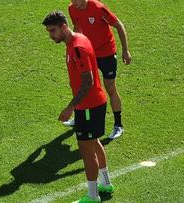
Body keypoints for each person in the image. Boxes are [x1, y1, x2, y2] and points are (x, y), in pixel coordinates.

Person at [42, 11, 114, 203]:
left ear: (64, 26)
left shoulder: (77, 47)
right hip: (94, 103)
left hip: (89, 106)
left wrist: (70, 107)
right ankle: (105, 183)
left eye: (53, 30)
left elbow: (88, 81)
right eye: (49, 31)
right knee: (94, 143)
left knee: (86, 151)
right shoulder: (79, 39)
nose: (51, 35)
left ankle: (93, 196)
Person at [66, 0, 132, 139]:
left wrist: (125, 50)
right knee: (84, 85)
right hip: (89, 54)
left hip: (107, 53)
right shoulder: (72, 9)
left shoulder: (98, 8)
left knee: (110, 87)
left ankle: (118, 125)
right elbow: (77, 28)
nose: (74, 3)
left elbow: (118, 25)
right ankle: (80, 118)